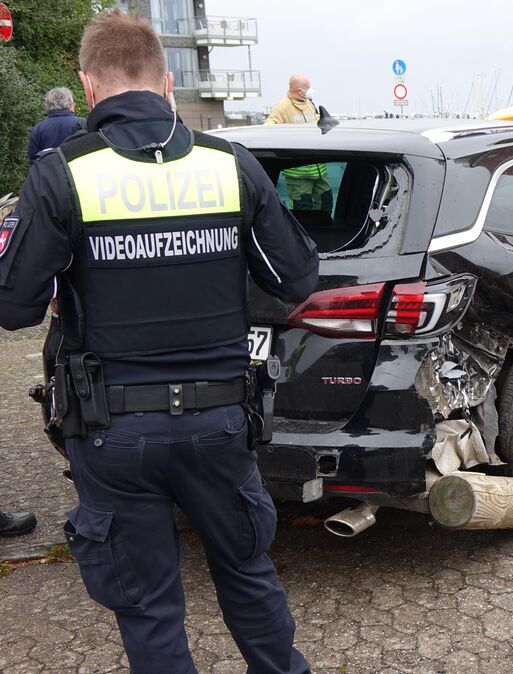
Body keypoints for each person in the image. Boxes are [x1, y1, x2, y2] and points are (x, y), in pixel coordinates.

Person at [0, 10, 317, 673]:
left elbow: (13, 305)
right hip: (219, 422)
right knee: (246, 573)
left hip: (112, 431)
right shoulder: (228, 165)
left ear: (88, 85)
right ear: (168, 82)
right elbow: (297, 277)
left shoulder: (62, 174)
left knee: (148, 609)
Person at [265, 73, 330, 213]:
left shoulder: (309, 104)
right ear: (299, 90)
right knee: (303, 210)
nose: (310, 89)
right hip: (299, 173)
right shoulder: (282, 108)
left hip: (319, 169)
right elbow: (268, 128)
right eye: (308, 87)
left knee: (326, 203)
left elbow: (315, 120)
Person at [27, 87, 85, 162]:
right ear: (69, 105)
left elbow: (34, 160)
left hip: (49, 172)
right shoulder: (82, 124)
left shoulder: (38, 129)